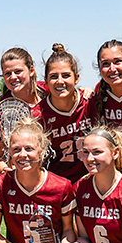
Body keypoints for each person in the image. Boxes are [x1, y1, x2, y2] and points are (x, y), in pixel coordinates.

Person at [38, 43, 92, 184]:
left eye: (66, 75)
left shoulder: (91, 103)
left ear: (77, 78)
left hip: (92, 184)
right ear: (46, 81)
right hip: (58, 187)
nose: (60, 81)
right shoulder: (38, 115)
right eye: (54, 76)